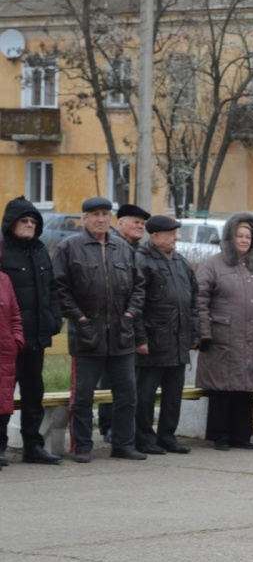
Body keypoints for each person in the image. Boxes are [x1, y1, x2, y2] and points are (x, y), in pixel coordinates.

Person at [53, 197, 146, 462]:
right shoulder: (69, 247)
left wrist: (129, 314)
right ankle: (82, 447)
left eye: (105, 214)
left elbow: (139, 287)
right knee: (83, 397)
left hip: (121, 335)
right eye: (95, 214)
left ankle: (123, 445)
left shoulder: (123, 248)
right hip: (86, 336)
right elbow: (59, 288)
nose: (101, 219)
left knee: (127, 395)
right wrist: (80, 318)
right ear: (85, 218)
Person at [196, 213, 253, 451]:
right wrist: (203, 332)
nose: (244, 240)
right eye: (239, 236)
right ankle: (220, 435)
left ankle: (241, 435)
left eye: (248, 236)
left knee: (247, 388)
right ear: (229, 237)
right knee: (223, 388)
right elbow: (199, 299)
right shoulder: (213, 265)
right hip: (222, 338)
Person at [0, 197, 62, 464]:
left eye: (33, 221)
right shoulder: (2, 252)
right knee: (3, 394)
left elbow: (52, 289)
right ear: (11, 223)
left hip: (36, 337)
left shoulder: (40, 251)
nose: (29, 225)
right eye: (23, 220)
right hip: (7, 340)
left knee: (34, 393)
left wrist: (54, 319)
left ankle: (33, 446)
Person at [132, 215, 199, 455]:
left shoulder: (181, 262)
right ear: (156, 236)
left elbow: (194, 300)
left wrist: (194, 334)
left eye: (175, 233)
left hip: (178, 340)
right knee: (145, 395)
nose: (175, 238)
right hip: (153, 341)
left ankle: (167, 437)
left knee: (173, 394)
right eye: (171, 234)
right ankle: (143, 438)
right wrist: (140, 338)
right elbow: (136, 304)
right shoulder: (142, 261)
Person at [98, 202, 150, 443]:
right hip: (110, 325)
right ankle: (108, 426)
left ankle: (121, 428)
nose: (140, 226)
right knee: (111, 379)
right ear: (120, 224)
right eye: (135, 222)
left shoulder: (139, 251)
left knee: (126, 382)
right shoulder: (111, 247)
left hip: (131, 323)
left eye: (143, 223)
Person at [0, 242, 23, 470]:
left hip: (5, 352)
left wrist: (16, 340)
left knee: (3, 403)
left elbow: (15, 314)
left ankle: (0, 449)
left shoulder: (4, 280)